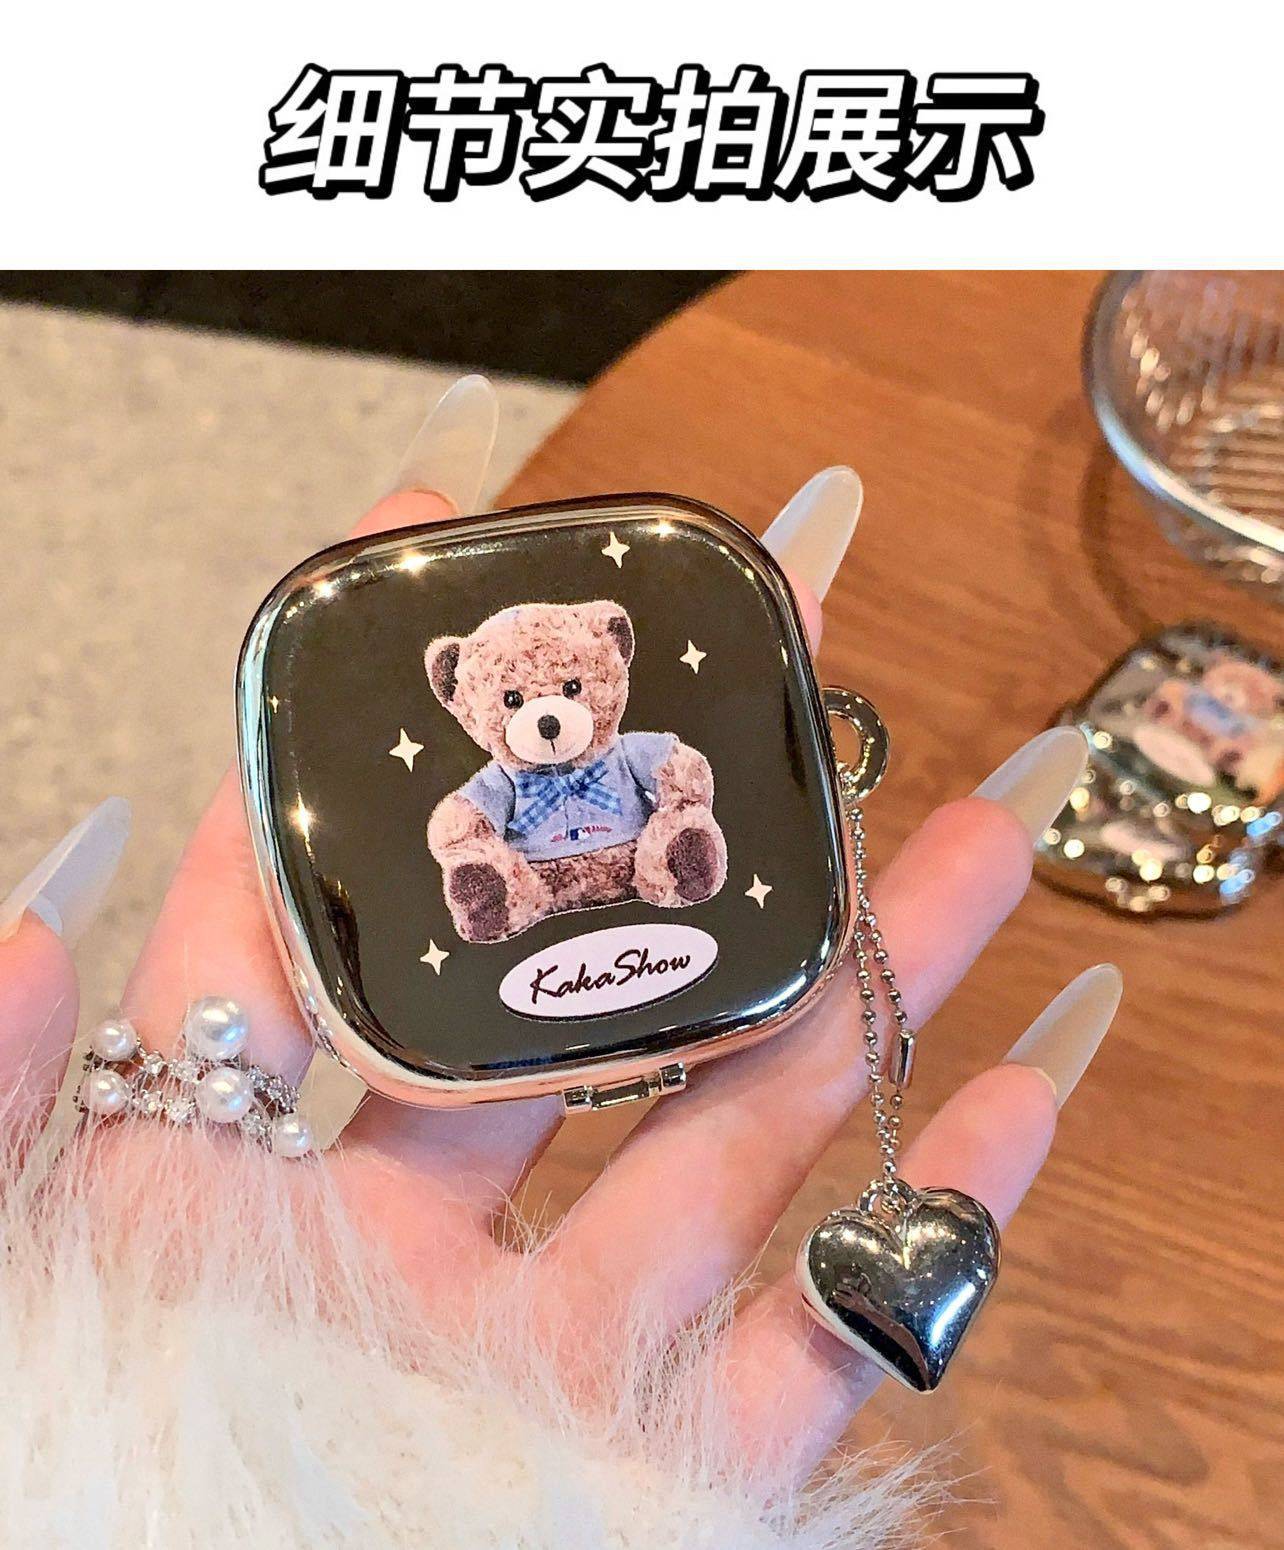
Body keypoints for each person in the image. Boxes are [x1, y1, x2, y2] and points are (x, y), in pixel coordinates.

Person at [0, 377, 1119, 1547]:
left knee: (678, 840)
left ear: (613, 657)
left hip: (632, 870)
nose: (551, 712)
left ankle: (672, 863)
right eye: (521, 696)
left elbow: (682, 761)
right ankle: (520, 895)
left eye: (572, 688)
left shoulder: (635, 748)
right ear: (463, 691)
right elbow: (456, 819)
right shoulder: (492, 779)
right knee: (495, 869)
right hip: (541, 889)